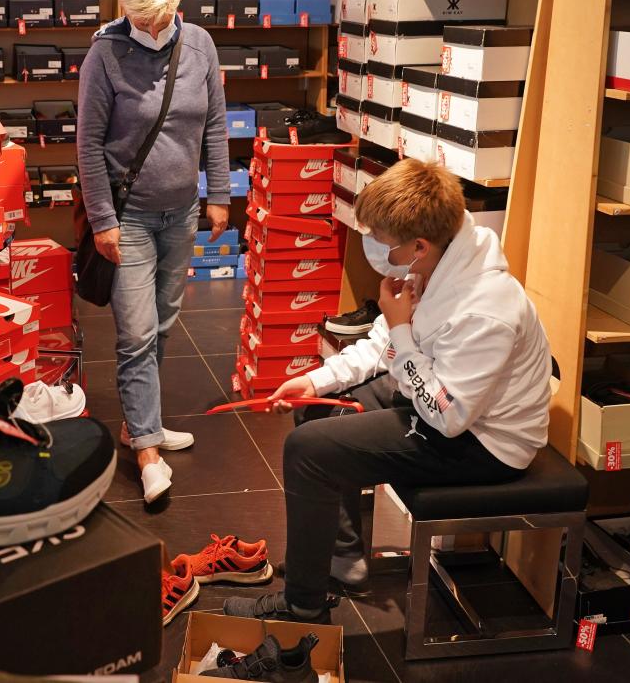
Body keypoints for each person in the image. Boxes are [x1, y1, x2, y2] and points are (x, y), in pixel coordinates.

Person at [223, 159, 552, 623]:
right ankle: (343, 561)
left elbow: (446, 414)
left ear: (418, 244)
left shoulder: (485, 309)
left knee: (307, 451)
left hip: (486, 442)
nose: (374, 249)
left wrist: (400, 330)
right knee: (317, 412)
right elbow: (382, 344)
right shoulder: (438, 260)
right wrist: (315, 380)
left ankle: (303, 608)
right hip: (446, 406)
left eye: (381, 241)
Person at [76, 0, 230, 505]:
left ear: (175, 6)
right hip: (130, 217)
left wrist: (219, 195)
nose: (145, 29)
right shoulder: (105, 53)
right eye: (137, 21)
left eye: (154, 22)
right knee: (136, 332)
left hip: (182, 211)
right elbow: (88, 144)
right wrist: (103, 220)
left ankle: (144, 421)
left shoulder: (201, 46)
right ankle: (146, 450)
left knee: (163, 323)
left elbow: (213, 122)